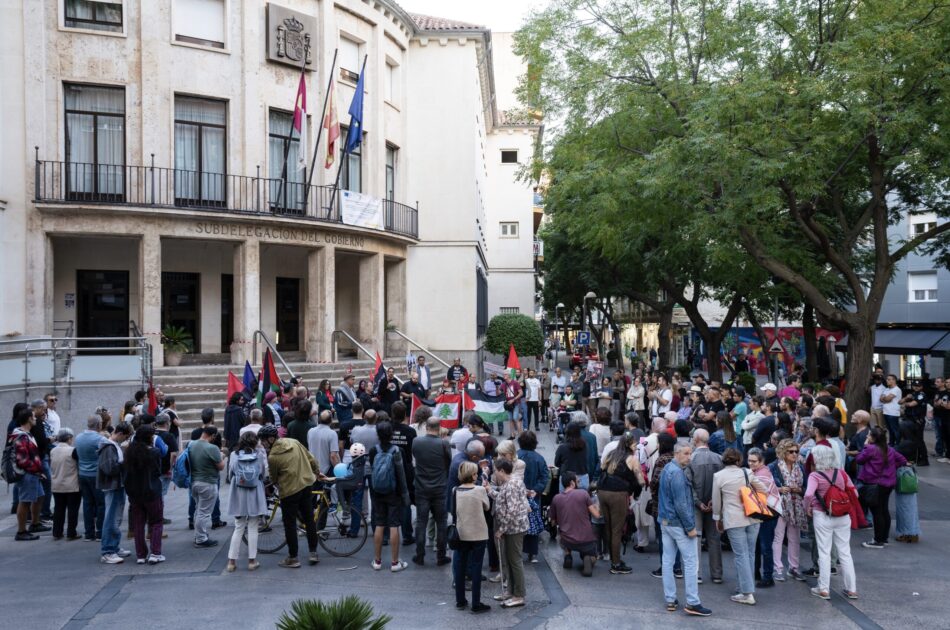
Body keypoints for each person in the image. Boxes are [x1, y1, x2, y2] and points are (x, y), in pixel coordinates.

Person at [659, 442, 712, 616]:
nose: (689, 457)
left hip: (666, 522)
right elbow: (681, 504)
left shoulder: (668, 469)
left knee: (667, 561)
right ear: (677, 453)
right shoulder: (677, 474)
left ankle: (670, 599)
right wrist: (690, 527)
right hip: (678, 524)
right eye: (686, 453)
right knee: (690, 562)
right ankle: (692, 602)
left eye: (690, 453)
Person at [260, 424, 322, 568]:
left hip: (289, 492)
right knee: (309, 520)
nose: (262, 444)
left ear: (270, 439)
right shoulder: (294, 442)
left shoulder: (273, 457)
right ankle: (313, 553)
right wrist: (317, 472)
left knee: (290, 525)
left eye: (263, 441)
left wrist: (274, 482)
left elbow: (274, 478)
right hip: (306, 485)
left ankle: (293, 557)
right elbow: (311, 458)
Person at [712, 448, 767, 606]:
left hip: (734, 519)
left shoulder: (719, 476)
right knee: (749, 553)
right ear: (738, 460)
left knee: (740, 555)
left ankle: (747, 592)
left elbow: (716, 502)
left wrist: (718, 518)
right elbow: (763, 489)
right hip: (753, 516)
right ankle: (745, 587)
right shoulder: (747, 473)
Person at [803, 445, 858, 600]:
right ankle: (851, 589)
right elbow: (855, 493)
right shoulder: (841, 473)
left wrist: (808, 507)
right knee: (845, 552)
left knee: (824, 552)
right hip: (843, 516)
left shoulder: (815, 476)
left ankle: (823, 588)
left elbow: (808, 495)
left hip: (823, 515)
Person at [597, 432, 644, 574]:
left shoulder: (611, 454)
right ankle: (616, 564)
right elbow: (640, 481)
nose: (636, 447)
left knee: (608, 527)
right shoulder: (632, 459)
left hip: (602, 492)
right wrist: (636, 494)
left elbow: (601, 470)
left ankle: (613, 558)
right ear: (629, 445)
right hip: (618, 494)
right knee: (617, 529)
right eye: (635, 445)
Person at [486, 457, 529, 608]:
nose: (494, 473)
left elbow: (511, 510)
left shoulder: (510, 485)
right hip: (515, 526)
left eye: (495, 471)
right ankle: (511, 591)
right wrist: (490, 491)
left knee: (515, 561)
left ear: (502, 471)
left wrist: (501, 529)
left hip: (514, 528)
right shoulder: (513, 482)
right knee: (511, 561)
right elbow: (503, 500)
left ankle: (519, 595)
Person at [370, 421, 412, 572]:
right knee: (394, 525)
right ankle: (395, 563)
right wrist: (404, 494)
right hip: (394, 492)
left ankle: (377, 561)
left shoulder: (373, 450)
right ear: (391, 434)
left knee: (380, 524)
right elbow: (402, 474)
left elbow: (372, 471)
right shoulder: (397, 450)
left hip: (377, 491)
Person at [856, 426, 907, 549]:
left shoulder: (870, 449)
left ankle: (878, 540)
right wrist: (891, 469)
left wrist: (865, 445)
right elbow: (903, 461)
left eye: (868, 435)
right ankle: (884, 538)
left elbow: (859, 460)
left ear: (873, 438)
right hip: (888, 484)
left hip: (874, 484)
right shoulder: (890, 450)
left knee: (877, 512)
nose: (867, 437)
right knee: (884, 510)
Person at [450, 460, 491, 613]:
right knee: (476, 567)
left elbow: (453, 511)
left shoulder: (455, 490)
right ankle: (476, 603)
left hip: (461, 534)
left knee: (460, 567)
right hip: (479, 533)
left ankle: (460, 600)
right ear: (473, 475)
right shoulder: (479, 490)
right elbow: (487, 506)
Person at [412, 415, 452, 566]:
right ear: (439, 427)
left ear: (427, 427)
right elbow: (448, 463)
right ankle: (441, 556)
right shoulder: (444, 444)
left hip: (421, 486)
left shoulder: (416, 441)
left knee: (421, 522)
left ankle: (420, 555)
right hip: (440, 487)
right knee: (441, 522)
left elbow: (415, 457)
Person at [685, 428, 723, 584]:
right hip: (714, 504)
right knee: (714, 538)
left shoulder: (691, 459)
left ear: (695, 440)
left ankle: (697, 573)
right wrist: (715, 501)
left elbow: (688, 485)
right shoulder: (719, 459)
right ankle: (717, 574)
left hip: (697, 505)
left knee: (696, 537)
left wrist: (698, 502)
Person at [226, 431, 267, 572]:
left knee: (239, 526)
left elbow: (231, 473)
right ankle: (252, 561)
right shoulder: (259, 455)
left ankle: (231, 561)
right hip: (255, 491)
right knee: (253, 527)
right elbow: (263, 473)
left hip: (238, 492)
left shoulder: (233, 455)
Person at [124, 424, 164, 565]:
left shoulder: (130, 452)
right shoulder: (154, 452)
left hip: (135, 492)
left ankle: (141, 554)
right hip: (152, 491)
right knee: (156, 521)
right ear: (149, 438)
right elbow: (157, 471)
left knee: (138, 523)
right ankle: (155, 552)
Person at [549, 470, 600, 577]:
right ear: (572, 483)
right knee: (593, 557)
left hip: (567, 539)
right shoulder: (583, 493)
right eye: (578, 480)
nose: (579, 482)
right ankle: (588, 558)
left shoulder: (556, 498)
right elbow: (596, 515)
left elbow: (552, 522)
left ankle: (568, 555)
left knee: (561, 532)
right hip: (586, 538)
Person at [769, 439, 806, 581]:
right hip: (780, 505)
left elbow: (807, 486)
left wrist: (799, 489)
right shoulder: (773, 467)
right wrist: (779, 489)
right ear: (783, 452)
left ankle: (794, 568)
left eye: (796, 451)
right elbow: (766, 485)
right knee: (778, 537)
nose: (795, 454)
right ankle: (777, 569)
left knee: (794, 538)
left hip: (797, 505)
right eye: (791, 451)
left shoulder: (800, 467)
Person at [10, 407, 49, 540]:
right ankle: (21, 532)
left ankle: (35, 523)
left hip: (33, 473)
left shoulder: (27, 434)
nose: (36, 418)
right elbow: (23, 460)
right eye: (33, 416)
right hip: (28, 474)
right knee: (25, 501)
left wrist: (38, 471)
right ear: (28, 419)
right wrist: (36, 471)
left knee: (39, 496)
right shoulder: (21, 436)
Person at [98, 421, 132, 563]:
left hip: (117, 485)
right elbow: (109, 468)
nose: (125, 440)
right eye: (126, 437)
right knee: (111, 518)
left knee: (115, 518)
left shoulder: (113, 446)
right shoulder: (108, 447)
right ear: (120, 434)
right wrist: (125, 464)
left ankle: (114, 547)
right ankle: (108, 551)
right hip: (112, 485)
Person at [747, 447, 779, 587]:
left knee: (765, 546)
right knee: (760, 545)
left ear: (761, 462)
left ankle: (767, 577)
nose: (751, 464)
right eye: (749, 461)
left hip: (768, 514)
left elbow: (759, 493)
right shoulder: (757, 472)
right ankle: (757, 573)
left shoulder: (762, 474)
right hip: (764, 513)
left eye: (754, 461)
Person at [190, 425, 225, 548]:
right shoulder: (212, 448)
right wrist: (222, 457)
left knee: (198, 510)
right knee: (204, 512)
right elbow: (221, 466)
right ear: (213, 436)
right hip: (208, 482)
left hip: (194, 482)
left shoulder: (191, 445)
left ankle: (199, 534)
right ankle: (201, 539)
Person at [516, 431, 549, 564]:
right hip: (533, 495)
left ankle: (517, 550)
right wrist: (536, 489)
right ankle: (532, 553)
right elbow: (544, 476)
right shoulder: (539, 458)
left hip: (518, 494)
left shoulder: (516, 456)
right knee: (533, 522)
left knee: (518, 522)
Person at [75, 414, 106, 541]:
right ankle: (100, 532)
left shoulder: (78, 438)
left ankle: (89, 533)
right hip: (96, 475)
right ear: (99, 425)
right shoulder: (100, 439)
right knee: (101, 504)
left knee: (87, 503)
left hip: (83, 474)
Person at [50, 428, 81, 540]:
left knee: (59, 509)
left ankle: (57, 532)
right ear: (69, 438)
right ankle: (71, 532)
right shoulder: (72, 450)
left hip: (56, 484)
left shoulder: (53, 451)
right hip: (71, 485)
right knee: (72, 510)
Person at [894, 422, 921, 543]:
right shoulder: (914, 442)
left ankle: (907, 532)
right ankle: (913, 532)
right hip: (910, 472)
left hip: (904, 473)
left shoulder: (904, 444)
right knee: (910, 505)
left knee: (904, 506)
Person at [900, 381, 929, 466]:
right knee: (911, 440)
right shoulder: (911, 394)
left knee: (919, 440)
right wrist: (906, 398)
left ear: (921, 387)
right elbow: (899, 402)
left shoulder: (921, 395)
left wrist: (905, 404)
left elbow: (912, 404)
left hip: (918, 421)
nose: (916, 387)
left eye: (918, 386)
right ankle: (915, 458)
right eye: (914, 386)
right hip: (910, 420)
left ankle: (924, 459)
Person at [554, 422, 589, 491]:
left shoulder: (562, 447)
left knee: (565, 500)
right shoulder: (584, 446)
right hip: (582, 476)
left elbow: (557, 463)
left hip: (566, 479)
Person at [880, 375, 903, 446]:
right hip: (886, 412)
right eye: (887, 379)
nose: (887, 381)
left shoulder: (896, 389)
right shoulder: (886, 389)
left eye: (889, 379)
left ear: (894, 380)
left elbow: (887, 399)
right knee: (890, 430)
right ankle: (891, 443)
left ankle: (898, 444)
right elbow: (881, 399)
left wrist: (884, 398)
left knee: (895, 430)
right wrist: (885, 398)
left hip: (893, 413)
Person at [502, 373, 523, 439]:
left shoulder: (515, 383)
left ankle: (521, 436)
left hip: (515, 403)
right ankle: (512, 435)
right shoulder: (503, 384)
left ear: (509, 375)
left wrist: (513, 400)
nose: (504, 375)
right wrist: (496, 387)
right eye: (503, 374)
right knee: (510, 419)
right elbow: (499, 393)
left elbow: (521, 393)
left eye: (505, 374)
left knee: (515, 418)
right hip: (508, 404)